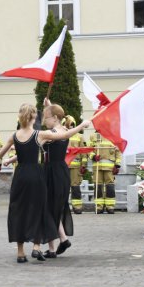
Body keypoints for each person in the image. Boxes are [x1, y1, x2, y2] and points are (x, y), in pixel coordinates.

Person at [0, 103, 69, 262]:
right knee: (39, 209)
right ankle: (36, 247)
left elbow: (0, 154)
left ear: (20, 117)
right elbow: (63, 135)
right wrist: (82, 125)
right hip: (36, 174)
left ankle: (20, 253)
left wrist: (9, 156)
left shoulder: (14, 136)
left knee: (18, 211)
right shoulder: (39, 134)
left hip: (20, 175)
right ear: (34, 117)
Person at [41, 101, 92, 257]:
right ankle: (61, 241)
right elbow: (61, 125)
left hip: (51, 171)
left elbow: (34, 144)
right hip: (62, 171)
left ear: (55, 118)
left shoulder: (54, 134)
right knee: (56, 207)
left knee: (48, 208)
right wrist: (48, 106)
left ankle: (55, 245)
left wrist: (82, 125)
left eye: (46, 117)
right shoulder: (61, 128)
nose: (44, 121)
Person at [89, 131, 121, 214]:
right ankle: (99, 207)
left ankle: (110, 207)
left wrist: (117, 165)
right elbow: (89, 150)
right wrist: (93, 156)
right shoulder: (94, 136)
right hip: (97, 166)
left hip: (109, 167)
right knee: (98, 186)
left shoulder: (114, 136)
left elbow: (118, 152)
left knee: (110, 187)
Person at [66, 117, 87, 214]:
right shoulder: (61, 135)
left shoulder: (79, 136)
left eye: (71, 124)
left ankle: (77, 207)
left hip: (75, 166)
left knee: (75, 187)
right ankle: (63, 207)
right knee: (63, 187)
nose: (70, 126)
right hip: (63, 166)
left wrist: (84, 165)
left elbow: (83, 152)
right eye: (67, 124)